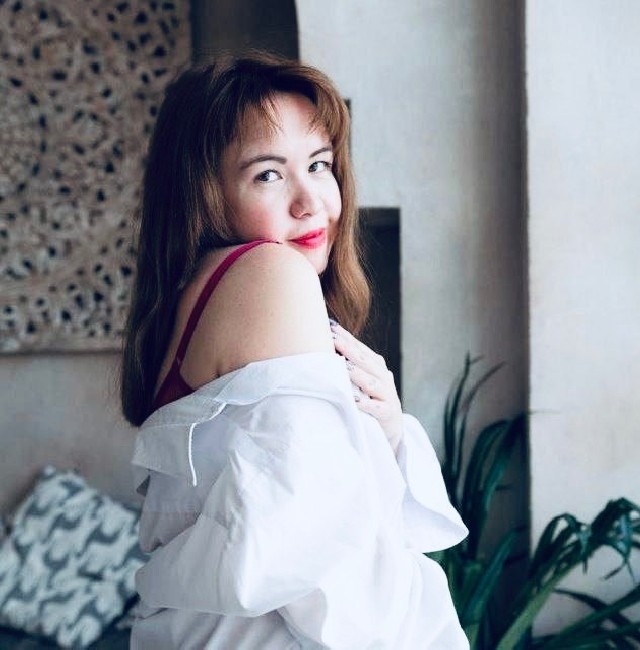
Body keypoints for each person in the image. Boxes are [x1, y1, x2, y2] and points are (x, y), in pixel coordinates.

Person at [121, 52, 469, 649]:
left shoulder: (198, 295)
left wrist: (386, 435)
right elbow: (330, 566)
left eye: (319, 164)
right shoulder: (269, 274)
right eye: (268, 175)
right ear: (206, 195)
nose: (312, 201)